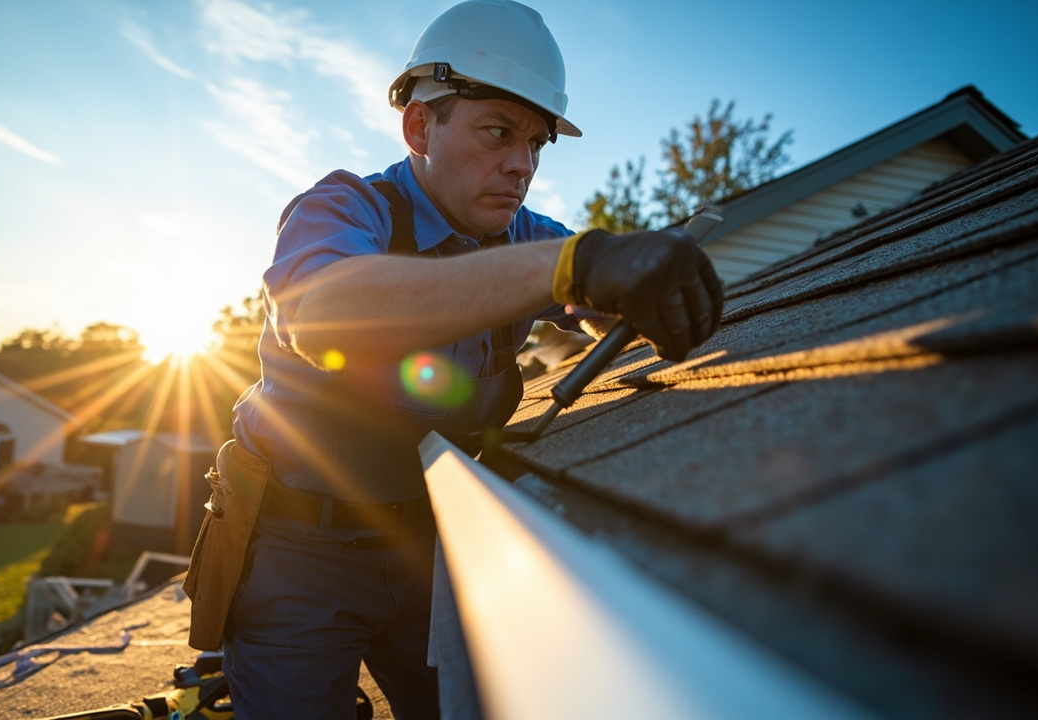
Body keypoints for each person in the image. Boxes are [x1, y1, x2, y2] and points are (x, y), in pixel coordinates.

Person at [209, 1, 723, 718]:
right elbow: (323, 312)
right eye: (498, 132)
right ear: (420, 127)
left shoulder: (522, 232)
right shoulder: (344, 209)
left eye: (538, 144)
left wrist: (635, 291)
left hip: (429, 540)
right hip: (299, 552)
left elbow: (592, 290)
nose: (522, 165)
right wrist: (571, 267)